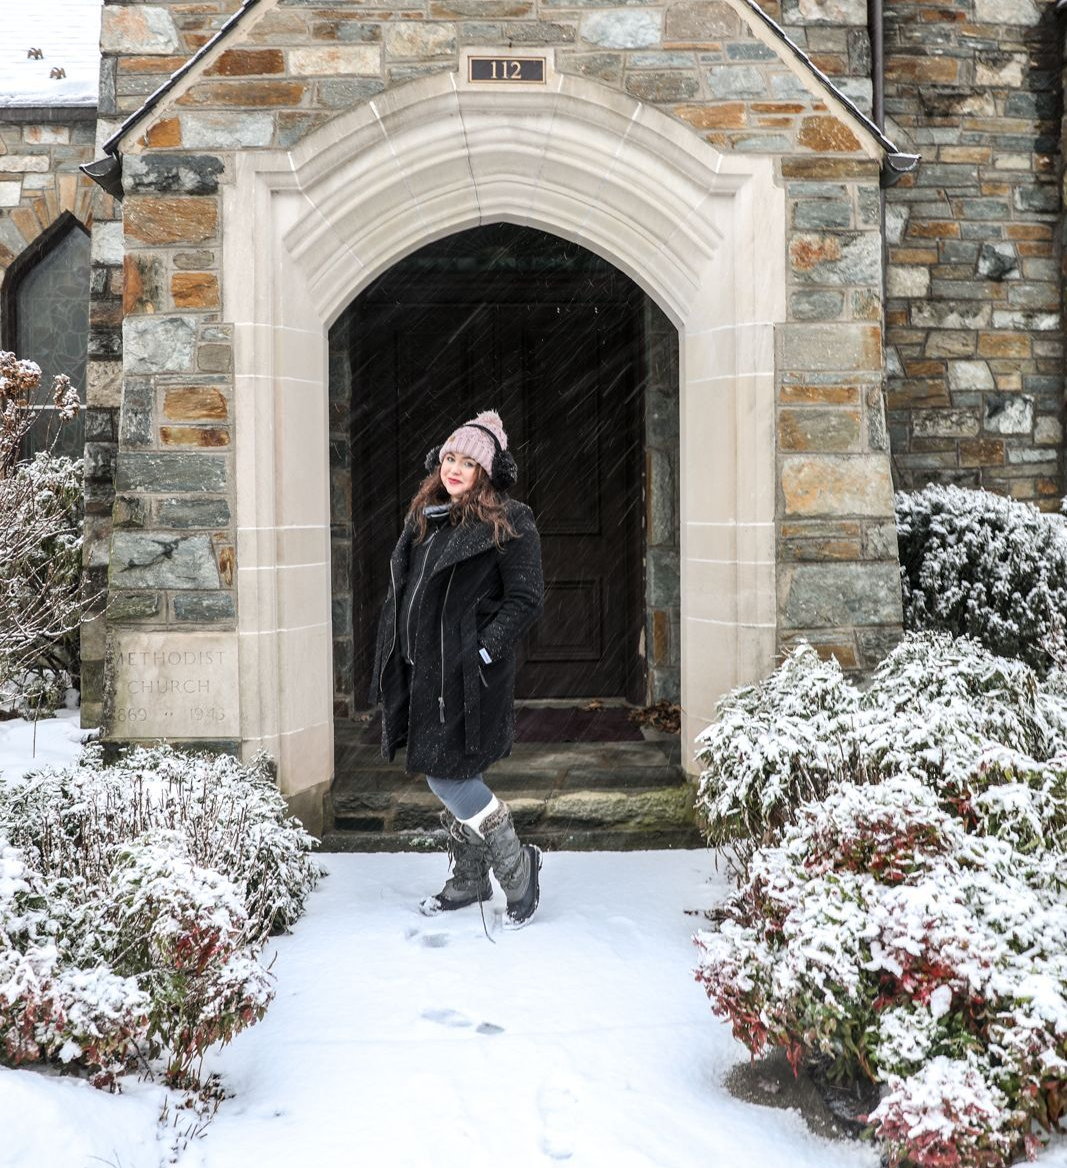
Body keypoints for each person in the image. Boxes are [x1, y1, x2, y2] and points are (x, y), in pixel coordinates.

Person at [369, 410, 545, 927]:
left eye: (468, 462)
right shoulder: (426, 515)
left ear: (485, 472)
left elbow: (526, 598)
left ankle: (518, 870)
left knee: (449, 778)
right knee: (458, 770)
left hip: (467, 675)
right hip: (419, 668)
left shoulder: (511, 520)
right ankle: (470, 880)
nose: (454, 468)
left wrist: (483, 650)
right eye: (449, 457)